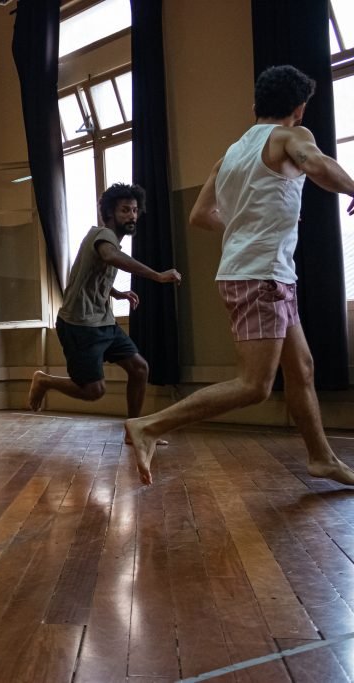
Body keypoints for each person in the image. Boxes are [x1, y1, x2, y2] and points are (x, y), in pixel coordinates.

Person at [126, 65, 354, 486]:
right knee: (254, 385)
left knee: (301, 368)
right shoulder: (289, 137)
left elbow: (200, 215)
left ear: (255, 106)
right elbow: (315, 163)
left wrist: (250, 222)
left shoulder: (230, 154)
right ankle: (149, 426)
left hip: (261, 275)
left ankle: (321, 458)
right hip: (261, 278)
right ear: (300, 109)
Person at [27, 184, 182, 435]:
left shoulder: (111, 242)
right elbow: (109, 257)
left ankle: (134, 430)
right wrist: (157, 275)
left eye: (135, 210)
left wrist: (115, 292)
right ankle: (44, 380)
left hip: (104, 322)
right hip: (79, 325)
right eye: (125, 210)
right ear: (110, 213)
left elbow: (91, 273)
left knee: (140, 368)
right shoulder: (103, 235)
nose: (132, 216)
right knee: (94, 391)